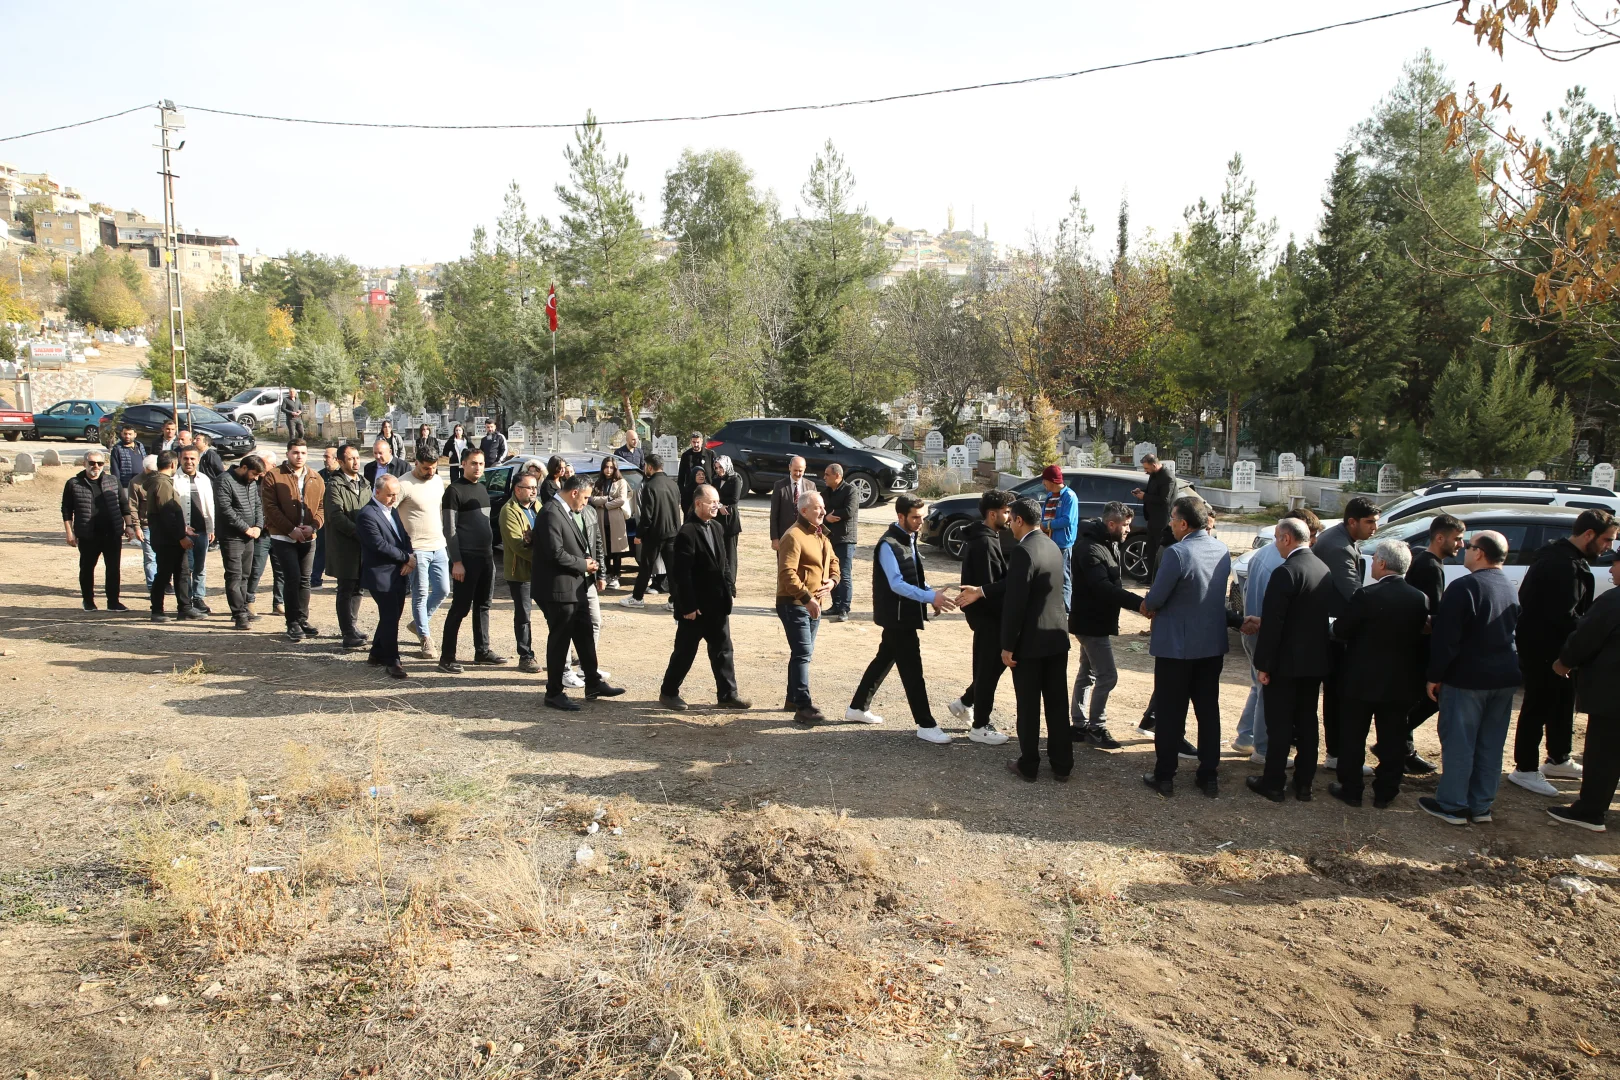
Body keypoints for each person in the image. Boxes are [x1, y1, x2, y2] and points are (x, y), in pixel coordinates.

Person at [1141, 496, 1251, 797]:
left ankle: (1165, 775)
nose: (1171, 525)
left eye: (1173, 519)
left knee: (1170, 713)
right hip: (1211, 645)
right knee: (1207, 710)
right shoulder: (1221, 550)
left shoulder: (1177, 553)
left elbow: (1155, 599)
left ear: (1184, 523)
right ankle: (1208, 775)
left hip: (1176, 648)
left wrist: (1147, 606)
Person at [960, 498, 1071, 781]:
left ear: (1020, 520)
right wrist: (982, 591)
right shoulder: (1051, 546)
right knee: (1058, 704)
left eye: (1012, 520)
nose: (1009, 525)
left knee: (1029, 706)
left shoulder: (1023, 551)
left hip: (1030, 645)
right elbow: (1022, 585)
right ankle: (1062, 764)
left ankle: (1029, 764)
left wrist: (1007, 645)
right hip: (1057, 639)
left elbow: (1015, 602)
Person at [1509, 508, 1617, 797]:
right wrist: (1583, 641)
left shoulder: (1566, 558)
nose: (1609, 548)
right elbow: (1564, 616)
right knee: (1538, 705)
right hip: (1546, 649)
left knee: (1561, 703)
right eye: (1607, 540)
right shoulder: (1561, 564)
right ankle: (1525, 768)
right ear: (1589, 535)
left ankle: (1558, 758)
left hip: (1557, 648)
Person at [1420, 530, 1521, 826]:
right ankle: (1481, 806)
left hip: (1468, 679)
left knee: (1460, 742)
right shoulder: (1509, 586)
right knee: (1490, 743)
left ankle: (1452, 804)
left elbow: (1447, 640)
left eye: (1470, 545)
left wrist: (1434, 676)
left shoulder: (1464, 586)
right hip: (1504, 677)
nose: (1463, 548)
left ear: (1480, 553)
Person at [845, 496, 957, 740]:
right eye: (915, 517)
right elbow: (896, 584)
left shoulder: (909, 539)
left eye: (921, 516)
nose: (920, 521)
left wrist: (931, 594)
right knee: (913, 672)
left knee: (884, 659)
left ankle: (856, 707)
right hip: (897, 618)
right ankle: (926, 725)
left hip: (904, 616)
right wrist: (929, 598)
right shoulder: (888, 544)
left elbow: (915, 577)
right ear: (901, 517)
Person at [1328, 539, 1429, 808]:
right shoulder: (1419, 599)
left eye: (1374, 560)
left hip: (1361, 680)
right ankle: (1386, 791)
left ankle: (1351, 788)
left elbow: (1342, 631)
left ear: (1383, 563)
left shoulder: (1366, 596)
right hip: (1400, 681)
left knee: (1353, 736)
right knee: (1393, 738)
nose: (1371, 564)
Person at [1247, 517, 1336, 803]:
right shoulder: (1322, 568)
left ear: (1286, 538)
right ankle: (1304, 783)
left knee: (1280, 725)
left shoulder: (1285, 572)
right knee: (1308, 723)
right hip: (1313, 662)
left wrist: (1263, 665)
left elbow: (1274, 624)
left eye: (1276, 538)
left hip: (1285, 664)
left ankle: (1273, 782)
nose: (1275, 544)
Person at [1234, 509, 1321, 761]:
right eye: (1308, 534)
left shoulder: (1263, 554)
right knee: (1266, 689)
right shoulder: (1283, 563)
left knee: (1258, 687)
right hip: (1267, 632)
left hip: (1254, 627)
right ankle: (1263, 748)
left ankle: (1246, 736)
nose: (1311, 541)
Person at [534, 474, 626, 710]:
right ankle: (553, 692)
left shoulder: (567, 511)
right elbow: (555, 553)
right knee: (560, 639)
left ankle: (593, 681)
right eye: (585, 498)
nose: (586, 503)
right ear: (574, 492)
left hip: (577, 586)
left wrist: (586, 563)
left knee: (584, 634)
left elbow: (574, 543)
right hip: (558, 589)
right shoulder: (551, 512)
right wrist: (582, 564)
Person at [660, 483, 751, 711]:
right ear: (698, 503)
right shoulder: (686, 533)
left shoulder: (717, 528)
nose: (716, 506)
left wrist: (729, 587)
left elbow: (724, 563)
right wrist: (688, 606)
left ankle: (728, 694)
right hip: (696, 608)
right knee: (685, 652)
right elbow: (681, 575)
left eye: (717, 502)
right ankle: (669, 692)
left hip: (717, 605)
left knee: (723, 651)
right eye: (712, 502)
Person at [1548, 555, 1620, 831]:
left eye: (1616, 563)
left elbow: (1586, 637)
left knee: (1604, 754)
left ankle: (1590, 811)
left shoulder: (1614, 601)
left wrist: (1563, 661)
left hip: (1613, 694)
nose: (1611, 569)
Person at [1067, 501, 1144, 749]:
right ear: (1112, 524)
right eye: (1126, 526)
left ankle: (1078, 726)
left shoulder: (1107, 544)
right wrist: (1139, 604)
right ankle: (1096, 728)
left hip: (1094, 621)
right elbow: (1103, 588)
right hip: (1091, 623)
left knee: (1087, 674)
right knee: (1107, 676)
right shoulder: (1090, 549)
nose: (1128, 531)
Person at [1313, 497, 1381, 769]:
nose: (1374, 527)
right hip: (1334, 633)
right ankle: (1337, 753)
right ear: (1352, 521)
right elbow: (1354, 593)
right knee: (1339, 695)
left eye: (1375, 522)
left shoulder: (1342, 539)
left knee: (1337, 694)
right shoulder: (1339, 547)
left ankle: (1336, 751)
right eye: (1369, 522)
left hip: (1335, 628)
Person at [947, 490, 1015, 744]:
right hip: (989, 617)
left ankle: (965, 703)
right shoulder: (985, 542)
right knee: (989, 670)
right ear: (992, 513)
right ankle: (980, 725)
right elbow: (986, 587)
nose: (1009, 517)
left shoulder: (990, 537)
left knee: (993, 667)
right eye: (1006, 512)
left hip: (989, 617)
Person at [1402, 513, 1465, 773]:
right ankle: (1398, 744)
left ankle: (1402, 747)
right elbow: (1430, 615)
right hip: (1419, 647)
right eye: (1457, 539)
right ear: (1440, 538)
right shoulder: (1429, 566)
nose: (1461, 545)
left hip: (1414, 644)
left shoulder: (1427, 561)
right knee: (1427, 699)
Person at [437, 448, 505, 673]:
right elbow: (449, 529)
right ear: (463, 464)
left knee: (484, 605)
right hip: (465, 559)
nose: (478, 467)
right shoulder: (454, 491)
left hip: (486, 558)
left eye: (481, 464)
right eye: (473, 463)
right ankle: (447, 657)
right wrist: (456, 561)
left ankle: (482, 651)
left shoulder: (483, 489)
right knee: (460, 607)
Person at [775, 490, 839, 724]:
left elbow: (834, 562)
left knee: (802, 653)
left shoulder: (820, 535)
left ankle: (793, 698)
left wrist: (832, 581)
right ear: (804, 511)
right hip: (794, 604)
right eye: (817, 508)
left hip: (814, 603)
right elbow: (787, 574)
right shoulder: (793, 536)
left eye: (822, 507)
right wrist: (806, 598)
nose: (823, 511)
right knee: (803, 653)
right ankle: (803, 706)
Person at [263, 438, 326, 642]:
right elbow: (270, 508)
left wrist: (313, 526)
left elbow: (322, 508)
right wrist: (290, 530)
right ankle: (291, 622)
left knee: (305, 580)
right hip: (283, 536)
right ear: (288, 454)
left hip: (308, 536)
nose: (299, 456)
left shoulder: (315, 477)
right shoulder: (274, 476)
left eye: (303, 453)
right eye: (295, 452)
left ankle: (302, 619)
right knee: (292, 577)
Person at [357, 473, 414, 680]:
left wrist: (409, 556)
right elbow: (379, 545)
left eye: (396, 495)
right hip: (381, 575)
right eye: (390, 495)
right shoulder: (367, 515)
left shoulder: (392, 510)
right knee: (390, 617)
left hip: (398, 572)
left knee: (392, 615)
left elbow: (403, 536)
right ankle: (393, 660)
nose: (393, 499)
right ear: (377, 492)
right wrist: (406, 558)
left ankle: (376, 653)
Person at [61, 447, 132, 611]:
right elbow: (66, 510)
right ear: (85, 463)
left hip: (112, 532)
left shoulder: (112, 481)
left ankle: (113, 601)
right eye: (92, 463)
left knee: (113, 568)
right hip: (88, 533)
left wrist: (128, 526)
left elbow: (124, 505)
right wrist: (69, 532)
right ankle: (88, 600)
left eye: (100, 463)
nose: (96, 466)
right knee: (87, 568)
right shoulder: (74, 483)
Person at [139, 451, 198, 622]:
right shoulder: (162, 484)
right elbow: (167, 514)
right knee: (164, 574)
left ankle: (185, 608)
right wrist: (181, 536)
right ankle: (157, 610)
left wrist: (183, 528)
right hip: (167, 539)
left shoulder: (162, 482)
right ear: (173, 464)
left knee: (183, 572)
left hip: (170, 536)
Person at [322, 443, 371, 650]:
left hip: (363, 547)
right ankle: (347, 632)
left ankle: (353, 626)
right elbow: (336, 516)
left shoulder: (365, 483)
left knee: (358, 588)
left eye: (357, 458)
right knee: (346, 589)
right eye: (351, 459)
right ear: (340, 462)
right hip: (345, 546)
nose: (356, 462)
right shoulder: (334, 485)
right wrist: (359, 532)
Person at [215, 454, 265, 630]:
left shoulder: (251, 483)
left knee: (245, 575)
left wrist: (259, 526)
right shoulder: (224, 481)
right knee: (234, 576)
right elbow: (226, 510)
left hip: (249, 535)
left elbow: (258, 505)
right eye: (254, 474)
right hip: (232, 537)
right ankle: (239, 615)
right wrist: (246, 528)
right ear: (244, 468)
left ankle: (243, 607)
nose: (256, 478)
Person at [624, 453, 682, 606]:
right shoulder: (673, 484)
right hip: (673, 532)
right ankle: (676, 601)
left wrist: (639, 534)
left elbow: (647, 516)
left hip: (655, 534)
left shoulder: (650, 486)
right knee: (672, 569)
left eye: (645, 466)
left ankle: (637, 598)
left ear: (650, 467)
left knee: (646, 567)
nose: (645, 469)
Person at [500, 471, 543, 674]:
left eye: (535, 487)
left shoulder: (537, 507)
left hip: (542, 570)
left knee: (556, 611)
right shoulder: (509, 511)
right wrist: (545, 558)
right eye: (530, 487)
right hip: (521, 573)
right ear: (518, 490)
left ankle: (566, 653)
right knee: (524, 615)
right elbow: (518, 545)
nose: (534, 491)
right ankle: (525, 656)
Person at [174, 446, 217, 615]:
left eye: (192, 458)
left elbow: (210, 505)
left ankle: (199, 598)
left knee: (200, 567)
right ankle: (187, 601)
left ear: (197, 460)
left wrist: (211, 527)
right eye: (186, 458)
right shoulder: (174, 479)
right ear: (180, 459)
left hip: (202, 530)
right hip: (184, 531)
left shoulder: (204, 479)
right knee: (187, 568)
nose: (189, 462)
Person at [1038, 466, 1079, 609]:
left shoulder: (1069, 496)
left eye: (1045, 480)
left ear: (1052, 481)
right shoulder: (1049, 496)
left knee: (1064, 577)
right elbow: (1043, 516)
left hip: (1062, 543)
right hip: (1048, 542)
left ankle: (1066, 610)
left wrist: (1046, 525)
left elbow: (1067, 520)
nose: (1043, 483)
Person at [821, 463, 858, 621]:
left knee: (844, 574)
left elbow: (849, 511)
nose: (824, 477)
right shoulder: (826, 492)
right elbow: (820, 511)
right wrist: (826, 518)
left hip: (845, 539)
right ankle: (835, 605)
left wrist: (831, 514)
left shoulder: (851, 490)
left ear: (837, 475)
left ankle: (844, 608)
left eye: (827, 474)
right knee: (831, 573)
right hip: (829, 539)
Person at [590, 456, 633, 588]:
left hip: (616, 520)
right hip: (602, 520)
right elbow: (592, 499)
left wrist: (606, 503)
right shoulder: (598, 483)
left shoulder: (621, 482)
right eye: (606, 467)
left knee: (617, 549)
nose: (608, 470)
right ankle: (607, 573)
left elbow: (621, 499)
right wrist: (606, 499)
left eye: (611, 467)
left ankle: (616, 575)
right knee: (604, 548)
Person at [244, 449, 278, 615]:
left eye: (265, 464)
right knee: (256, 569)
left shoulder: (279, 480)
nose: (261, 469)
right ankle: (248, 601)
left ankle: (279, 602)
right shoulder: (253, 482)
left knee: (281, 570)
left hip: (278, 532)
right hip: (261, 534)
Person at [1131, 454, 1173, 584]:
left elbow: (1164, 499)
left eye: (1147, 468)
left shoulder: (1167, 477)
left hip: (1162, 520)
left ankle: (1158, 580)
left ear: (1154, 465)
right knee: (1150, 549)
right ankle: (1149, 577)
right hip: (1152, 519)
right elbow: (1152, 491)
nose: (1146, 471)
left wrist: (1145, 497)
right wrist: (1141, 491)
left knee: (1158, 551)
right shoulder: (1153, 475)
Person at [769, 457, 817, 551]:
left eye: (800, 471)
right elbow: (774, 514)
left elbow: (814, 512)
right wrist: (775, 538)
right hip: (785, 535)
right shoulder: (779, 486)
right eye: (795, 470)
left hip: (805, 535)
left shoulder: (811, 486)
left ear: (805, 469)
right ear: (789, 467)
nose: (798, 474)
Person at [310, 444, 340, 589]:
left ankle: (341, 582)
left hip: (340, 519)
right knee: (320, 549)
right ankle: (315, 579)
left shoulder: (343, 475)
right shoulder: (319, 476)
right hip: (323, 519)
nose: (324, 459)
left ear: (336, 459)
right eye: (324, 456)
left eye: (327, 457)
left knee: (340, 551)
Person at [677, 432, 717, 513]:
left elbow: (715, 475)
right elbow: (681, 476)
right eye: (694, 442)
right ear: (691, 442)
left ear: (702, 442)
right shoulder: (686, 456)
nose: (696, 445)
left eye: (698, 442)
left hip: (706, 493)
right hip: (690, 494)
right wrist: (683, 493)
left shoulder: (710, 454)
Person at [109, 424, 145, 491]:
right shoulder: (117, 449)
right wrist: (118, 486)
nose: (127, 436)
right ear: (122, 434)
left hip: (141, 483)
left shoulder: (140, 446)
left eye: (130, 434)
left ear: (135, 435)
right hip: (126, 485)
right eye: (125, 434)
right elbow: (115, 469)